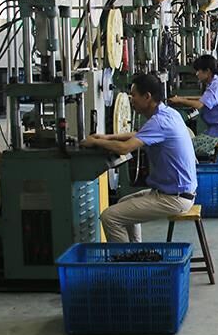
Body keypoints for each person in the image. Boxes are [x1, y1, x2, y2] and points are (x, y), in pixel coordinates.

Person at [84, 73, 196, 243]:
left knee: (110, 217)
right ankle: (135, 250)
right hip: (176, 192)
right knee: (123, 202)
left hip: (173, 198)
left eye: (134, 95)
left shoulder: (159, 122)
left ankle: (126, 258)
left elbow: (124, 148)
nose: (131, 100)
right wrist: (106, 137)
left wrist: (95, 142)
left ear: (147, 97)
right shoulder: (169, 113)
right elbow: (138, 134)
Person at [168, 55, 218, 158]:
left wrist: (180, 100)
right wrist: (183, 98)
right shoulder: (217, 82)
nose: (196, 74)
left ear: (207, 71)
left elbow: (199, 105)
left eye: (198, 71)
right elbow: (205, 98)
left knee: (182, 148)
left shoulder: (217, 84)